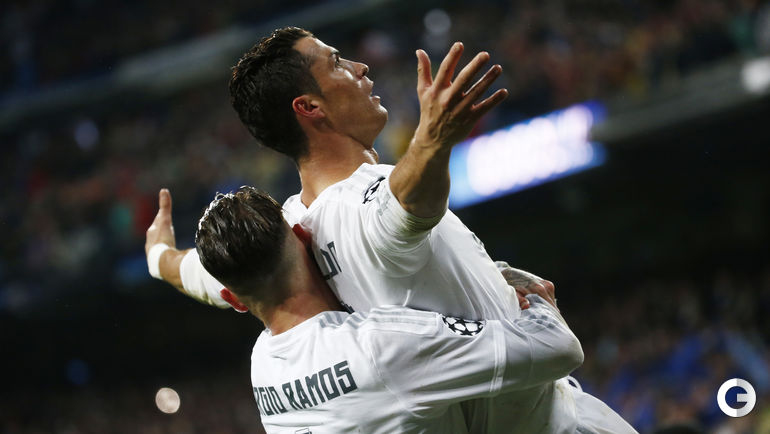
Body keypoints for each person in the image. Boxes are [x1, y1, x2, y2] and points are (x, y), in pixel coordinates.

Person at [145, 27, 637, 432]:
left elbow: (199, 272)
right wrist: (432, 141)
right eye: (336, 62)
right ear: (310, 107)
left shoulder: (282, 234)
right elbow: (404, 208)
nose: (359, 68)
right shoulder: (360, 209)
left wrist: (160, 257)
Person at [193, 186, 585, 433]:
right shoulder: (378, 347)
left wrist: (164, 257)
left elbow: (199, 276)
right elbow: (558, 348)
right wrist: (533, 294)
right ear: (301, 235)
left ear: (234, 300)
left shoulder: (262, 366)